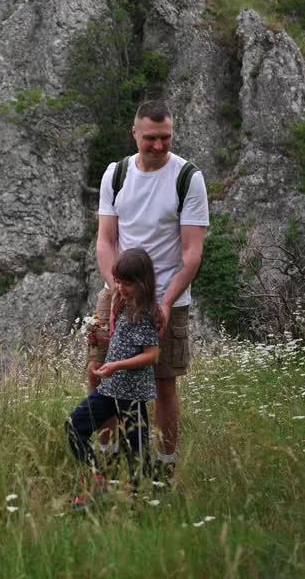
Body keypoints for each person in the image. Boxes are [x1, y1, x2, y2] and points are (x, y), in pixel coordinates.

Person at [88, 99, 209, 479]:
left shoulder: (188, 178)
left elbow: (192, 253)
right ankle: (105, 456)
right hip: (118, 288)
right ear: (135, 133)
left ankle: (165, 466)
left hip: (167, 295)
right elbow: (106, 241)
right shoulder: (116, 174)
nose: (158, 146)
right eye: (151, 138)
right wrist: (116, 289)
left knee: (164, 381)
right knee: (100, 372)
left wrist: (167, 301)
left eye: (166, 138)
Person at [65, 248, 161, 507]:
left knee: (137, 455)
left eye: (127, 283)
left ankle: (142, 504)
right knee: (75, 427)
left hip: (132, 394)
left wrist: (116, 365)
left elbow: (152, 356)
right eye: (117, 281)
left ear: (143, 282)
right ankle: (97, 480)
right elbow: (120, 341)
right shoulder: (121, 303)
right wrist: (100, 340)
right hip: (110, 389)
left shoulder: (148, 313)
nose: (120, 287)